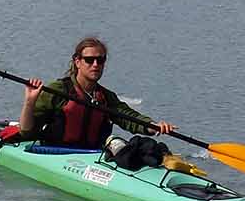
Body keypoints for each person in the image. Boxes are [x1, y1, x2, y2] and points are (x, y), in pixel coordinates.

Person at [20, 37, 174, 149]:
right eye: (89, 60)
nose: (95, 65)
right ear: (77, 61)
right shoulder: (57, 90)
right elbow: (27, 132)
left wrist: (152, 126)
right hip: (56, 153)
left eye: (100, 60)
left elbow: (129, 118)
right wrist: (29, 102)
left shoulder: (106, 97)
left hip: (92, 156)